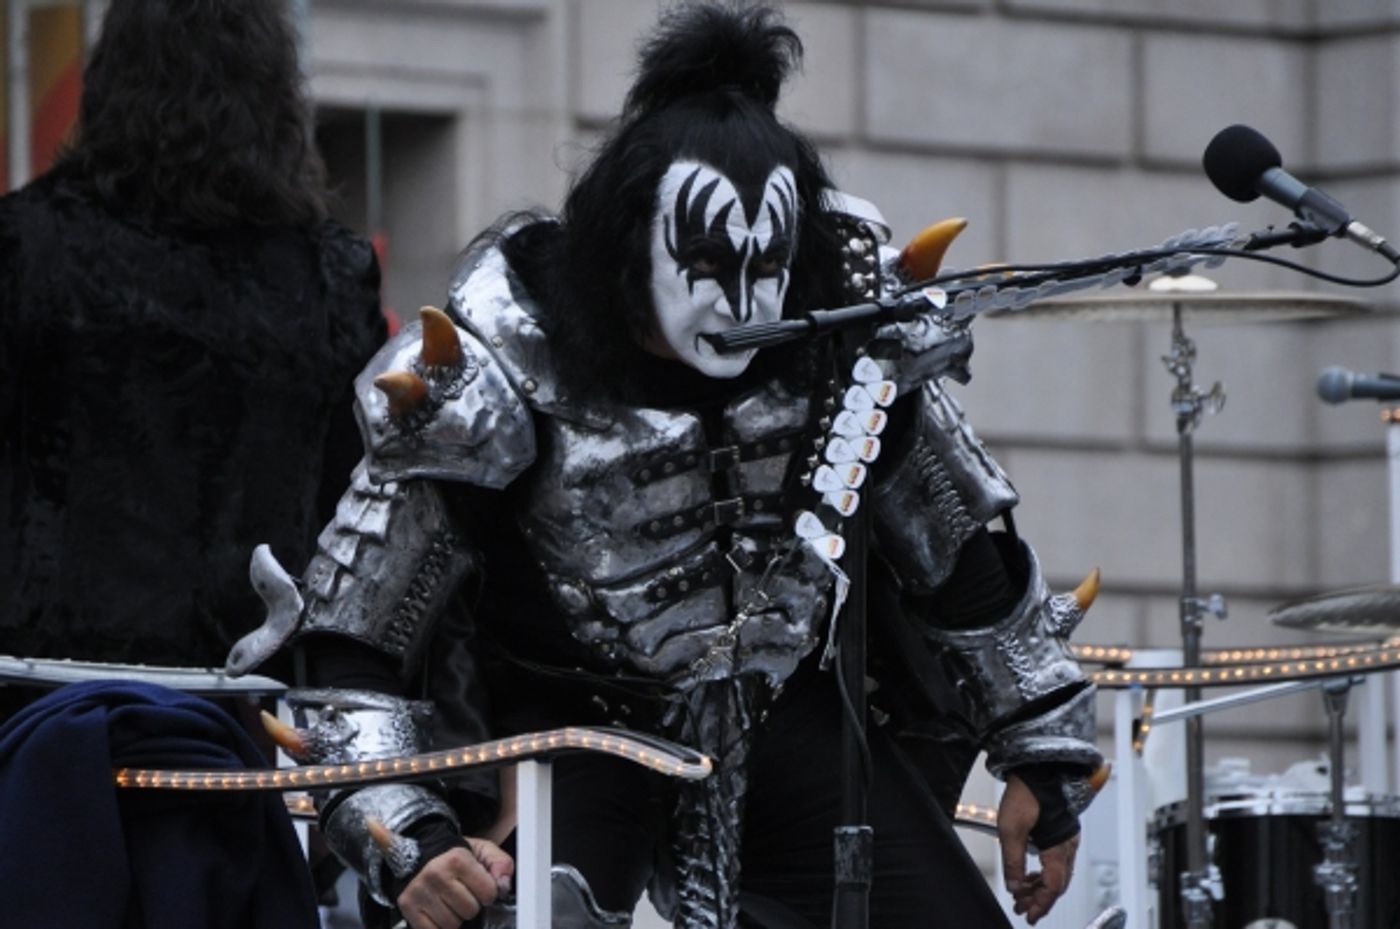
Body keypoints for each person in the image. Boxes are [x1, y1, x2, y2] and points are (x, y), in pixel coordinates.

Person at [229, 4, 1105, 928]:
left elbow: (959, 555)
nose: (740, 296)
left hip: (785, 719)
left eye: (765, 261)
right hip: (573, 736)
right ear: (628, 247)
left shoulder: (844, 342)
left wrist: (1041, 751)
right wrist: (403, 832)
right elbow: (350, 636)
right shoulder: (497, 359)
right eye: (707, 256)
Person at [0, 0, 387, 690]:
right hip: (253, 698)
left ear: (111, 83)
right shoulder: (331, 274)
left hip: (43, 688)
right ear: (275, 96)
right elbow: (354, 516)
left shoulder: (28, 244)